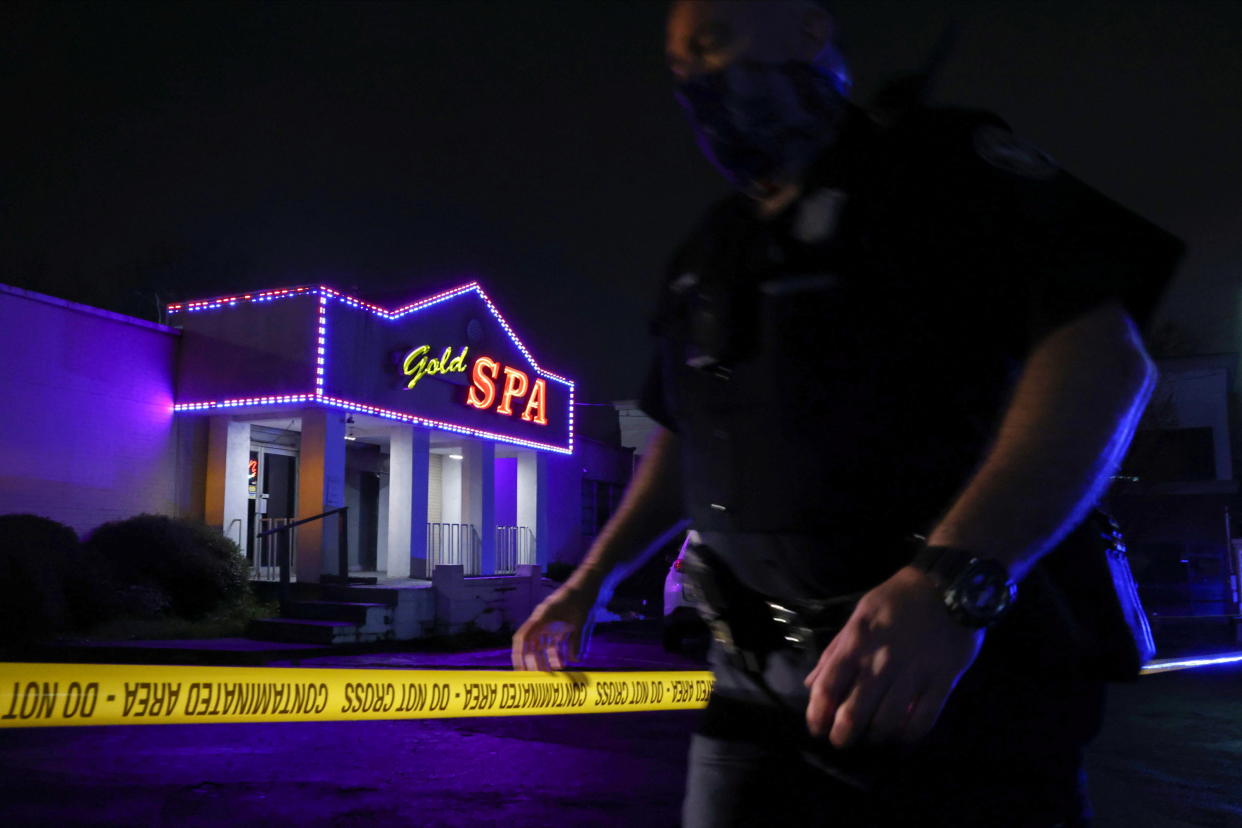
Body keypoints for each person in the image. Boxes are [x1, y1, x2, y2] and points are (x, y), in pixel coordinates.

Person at [513, 1, 1183, 825]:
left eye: (715, 38)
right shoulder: (711, 250)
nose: (696, 77)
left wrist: (951, 583)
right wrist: (590, 582)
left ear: (807, 31)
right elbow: (682, 438)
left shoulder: (941, 167)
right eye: (680, 65)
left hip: (946, 692)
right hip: (752, 695)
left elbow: (1103, 360)